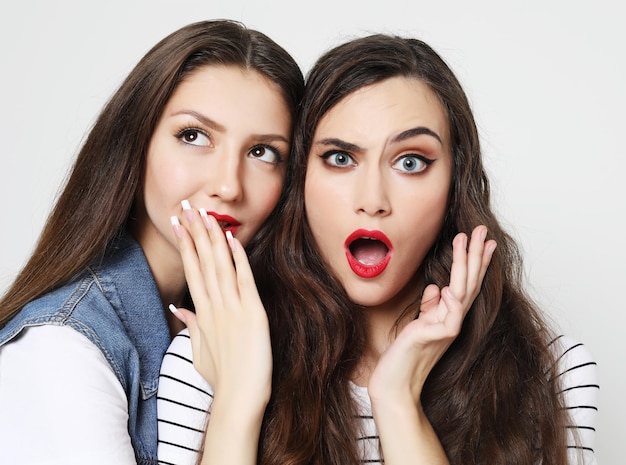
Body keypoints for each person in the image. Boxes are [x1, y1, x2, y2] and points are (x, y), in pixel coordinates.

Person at [158, 34, 599, 465]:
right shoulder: (212, 358)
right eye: (340, 158)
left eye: (410, 162)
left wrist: (397, 401)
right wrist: (240, 396)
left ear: (455, 184)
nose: (372, 199)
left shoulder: (551, 373)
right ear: (300, 182)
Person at [0, 20, 304, 465]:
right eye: (194, 136)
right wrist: (238, 401)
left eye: (262, 152)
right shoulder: (62, 351)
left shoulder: (250, 321)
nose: (228, 185)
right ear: (135, 143)